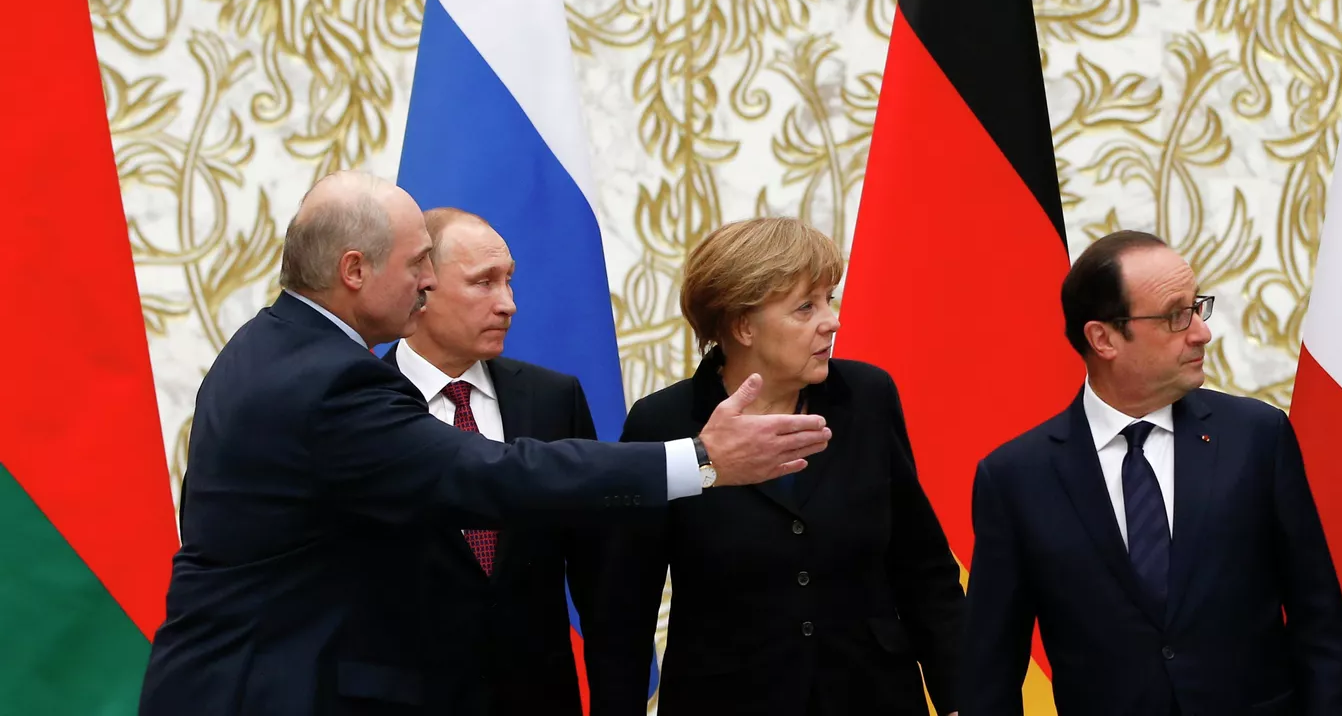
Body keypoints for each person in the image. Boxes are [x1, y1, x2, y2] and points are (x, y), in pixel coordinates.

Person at [139, 171, 830, 716]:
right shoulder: (330, 380)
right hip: (269, 691)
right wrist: (700, 460)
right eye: (417, 266)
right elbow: (489, 473)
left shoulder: (269, 346)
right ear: (354, 271)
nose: (428, 281)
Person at [573, 217, 965, 716]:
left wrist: (961, 694)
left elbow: (921, 565)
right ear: (742, 326)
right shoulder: (663, 423)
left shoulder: (867, 397)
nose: (831, 320)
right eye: (806, 307)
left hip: (871, 693)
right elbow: (624, 604)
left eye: (829, 299)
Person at [963, 230, 1342, 716]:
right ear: (1103, 338)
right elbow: (992, 670)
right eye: (1176, 316)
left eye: (1197, 307)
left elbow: (1320, 623)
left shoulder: (1257, 438)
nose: (1201, 331)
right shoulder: (1016, 479)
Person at [379, 207, 593, 714]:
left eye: (509, 282)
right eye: (484, 284)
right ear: (422, 288)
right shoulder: (358, 406)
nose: (509, 305)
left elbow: (597, 574)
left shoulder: (553, 398)